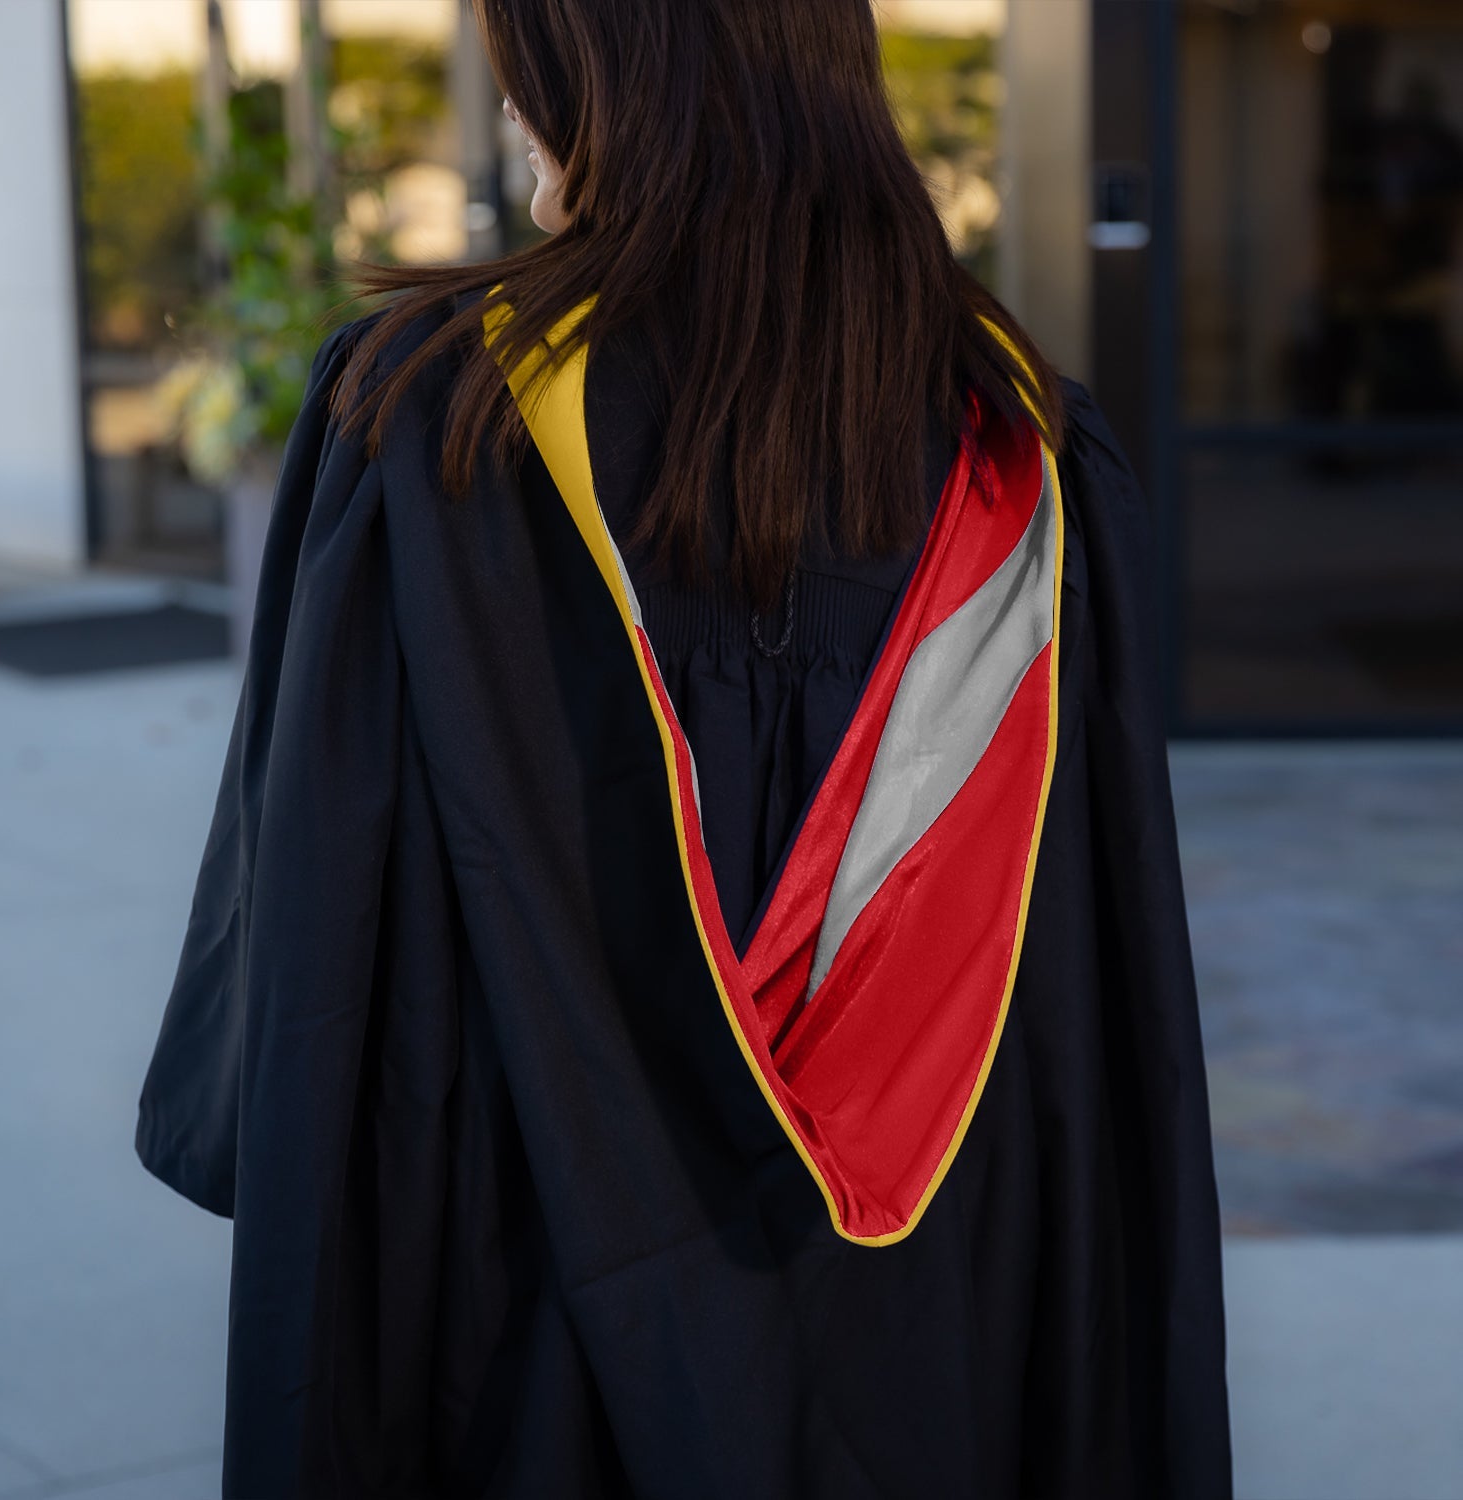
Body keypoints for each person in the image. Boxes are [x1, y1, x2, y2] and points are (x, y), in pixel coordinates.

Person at [134, 1, 1232, 1495]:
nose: (510, 104)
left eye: (528, 58)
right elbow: (1100, 1010)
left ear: (616, 73)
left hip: (526, 1314)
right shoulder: (1019, 443)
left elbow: (319, 949)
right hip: (949, 1318)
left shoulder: (432, 424)